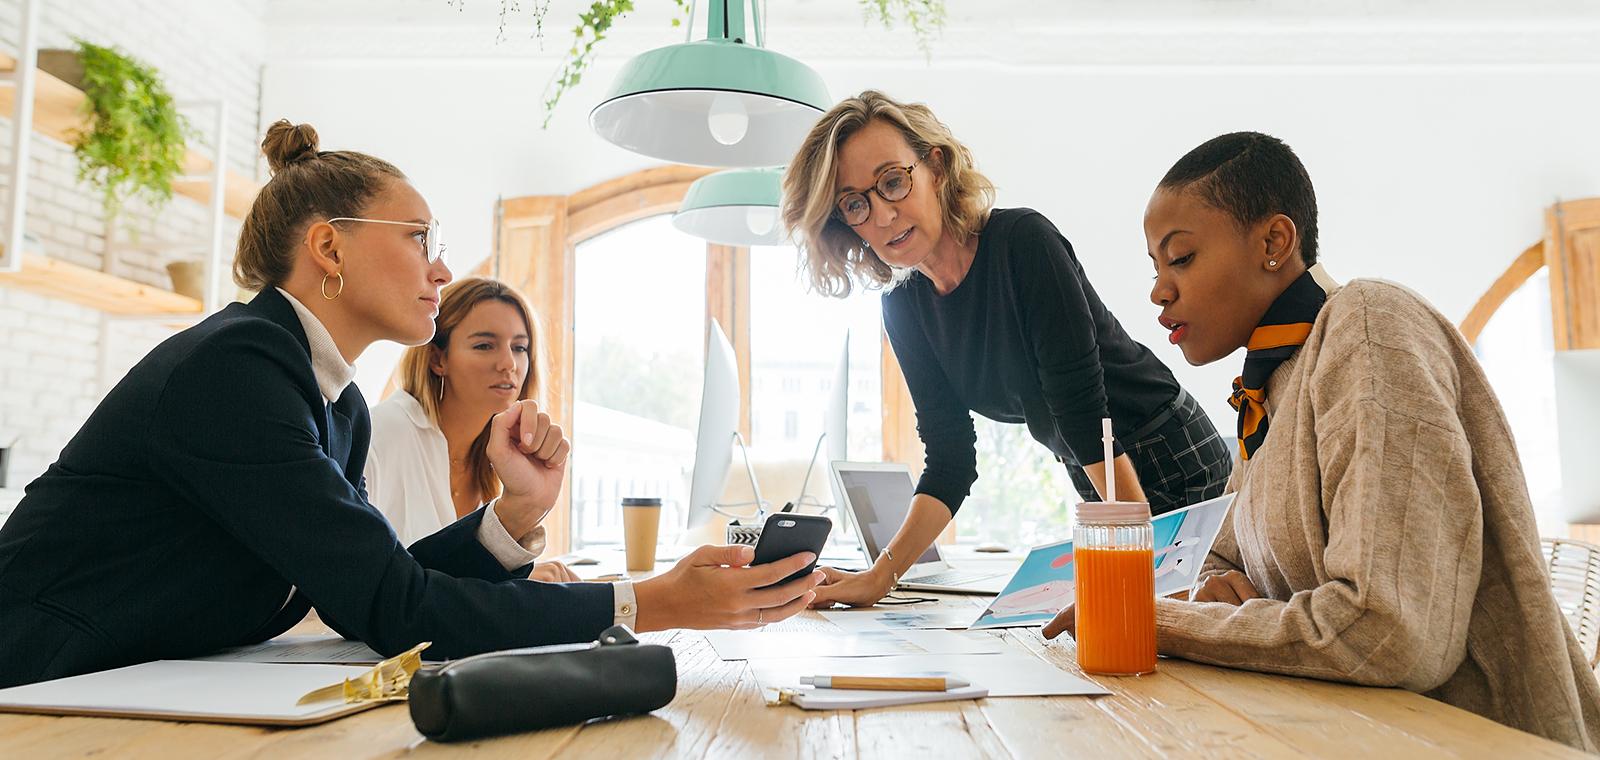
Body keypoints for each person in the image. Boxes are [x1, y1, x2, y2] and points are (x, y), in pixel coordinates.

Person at [0, 120, 820, 689]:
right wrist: (655, 603)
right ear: (328, 246)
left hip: (135, 684)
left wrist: (510, 516)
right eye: (419, 238)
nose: (441, 269)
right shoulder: (235, 369)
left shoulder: (337, 402)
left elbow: (376, 579)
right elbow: (394, 607)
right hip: (41, 683)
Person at [1043, 131, 1600, 750]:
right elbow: (1222, 561)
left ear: (1275, 243)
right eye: (1155, 267)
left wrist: (1165, 623)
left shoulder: (1369, 327)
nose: (1158, 291)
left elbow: (1389, 634)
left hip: (1476, 739)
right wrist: (1213, 599)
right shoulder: (1271, 384)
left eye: (1181, 259)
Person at [780, 90, 1229, 608]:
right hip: (1095, 474)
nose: (882, 216)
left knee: (1180, 632)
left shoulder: (1023, 243)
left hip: (1168, 449)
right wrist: (880, 578)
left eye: (893, 182)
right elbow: (950, 459)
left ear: (936, 168)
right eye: (856, 203)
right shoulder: (904, 308)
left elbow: (1083, 414)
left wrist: (1138, 563)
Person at [364, 277, 576, 583]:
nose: (508, 363)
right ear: (438, 359)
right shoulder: (381, 435)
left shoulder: (496, 457)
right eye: (484, 345)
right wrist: (509, 582)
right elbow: (369, 588)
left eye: (520, 348)